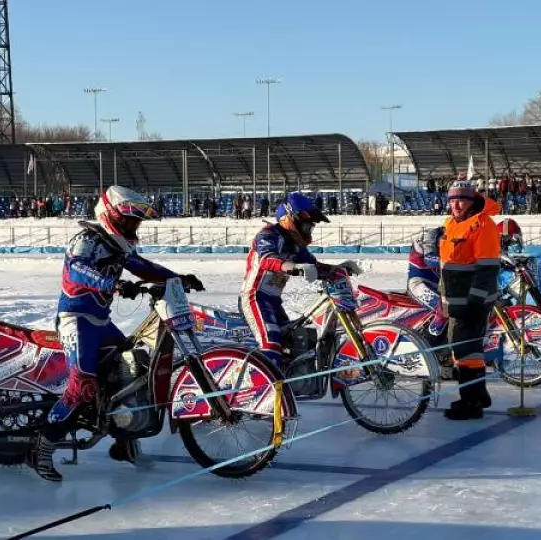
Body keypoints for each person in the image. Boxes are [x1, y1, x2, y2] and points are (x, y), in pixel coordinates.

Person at [28, 186, 204, 482]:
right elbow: (77, 270)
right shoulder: (86, 240)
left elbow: (142, 266)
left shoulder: (118, 247)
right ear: (112, 216)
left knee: (131, 373)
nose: (134, 227)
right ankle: (41, 450)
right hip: (76, 320)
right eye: (130, 221)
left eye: (136, 222)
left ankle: (124, 442)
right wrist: (113, 284)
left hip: (100, 322)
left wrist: (177, 278)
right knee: (82, 386)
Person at [240, 193, 361, 366]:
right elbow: (267, 259)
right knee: (271, 344)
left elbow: (314, 267)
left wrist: (338, 269)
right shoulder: (268, 234)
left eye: (309, 228)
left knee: (291, 344)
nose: (307, 231)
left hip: (273, 302)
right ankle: (265, 381)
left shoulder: (295, 245)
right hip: (254, 297)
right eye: (305, 226)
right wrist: (293, 267)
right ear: (290, 218)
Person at [439, 180, 502, 420]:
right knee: (463, 348)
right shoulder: (451, 224)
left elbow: (488, 267)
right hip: (455, 299)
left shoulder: (482, 224)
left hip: (472, 300)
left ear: (472, 201)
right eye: (453, 200)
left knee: (467, 350)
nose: (456, 205)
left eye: (462, 200)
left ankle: (471, 402)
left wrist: (476, 301)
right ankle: (479, 394)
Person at [406, 226, 453, 378]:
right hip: (419, 283)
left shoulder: (455, 236)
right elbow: (430, 259)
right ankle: (425, 349)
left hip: (438, 285)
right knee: (443, 309)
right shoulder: (430, 236)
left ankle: (445, 356)